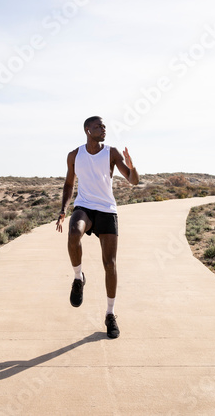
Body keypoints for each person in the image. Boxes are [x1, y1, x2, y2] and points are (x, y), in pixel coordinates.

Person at [56, 116, 139, 338]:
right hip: (84, 206)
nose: (103, 129)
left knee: (109, 264)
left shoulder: (111, 153)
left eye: (104, 126)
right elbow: (68, 184)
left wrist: (132, 166)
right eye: (98, 126)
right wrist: (63, 211)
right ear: (87, 130)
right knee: (74, 233)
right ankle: (78, 277)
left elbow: (133, 181)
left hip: (107, 209)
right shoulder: (75, 155)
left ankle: (110, 314)